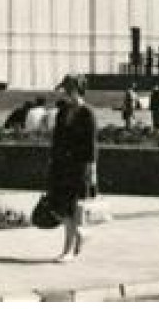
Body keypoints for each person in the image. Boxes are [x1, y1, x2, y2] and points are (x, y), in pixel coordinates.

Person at [46, 73, 97, 263]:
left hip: (79, 167)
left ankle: (67, 250)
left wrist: (92, 172)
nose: (66, 94)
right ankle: (81, 234)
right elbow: (56, 140)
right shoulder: (63, 111)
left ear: (78, 90)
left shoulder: (87, 113)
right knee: (60, 206)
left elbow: (91, 145)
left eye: (69, 90)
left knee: (71, 207)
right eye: (65, 90)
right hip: (61, 165)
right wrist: (52, 161)